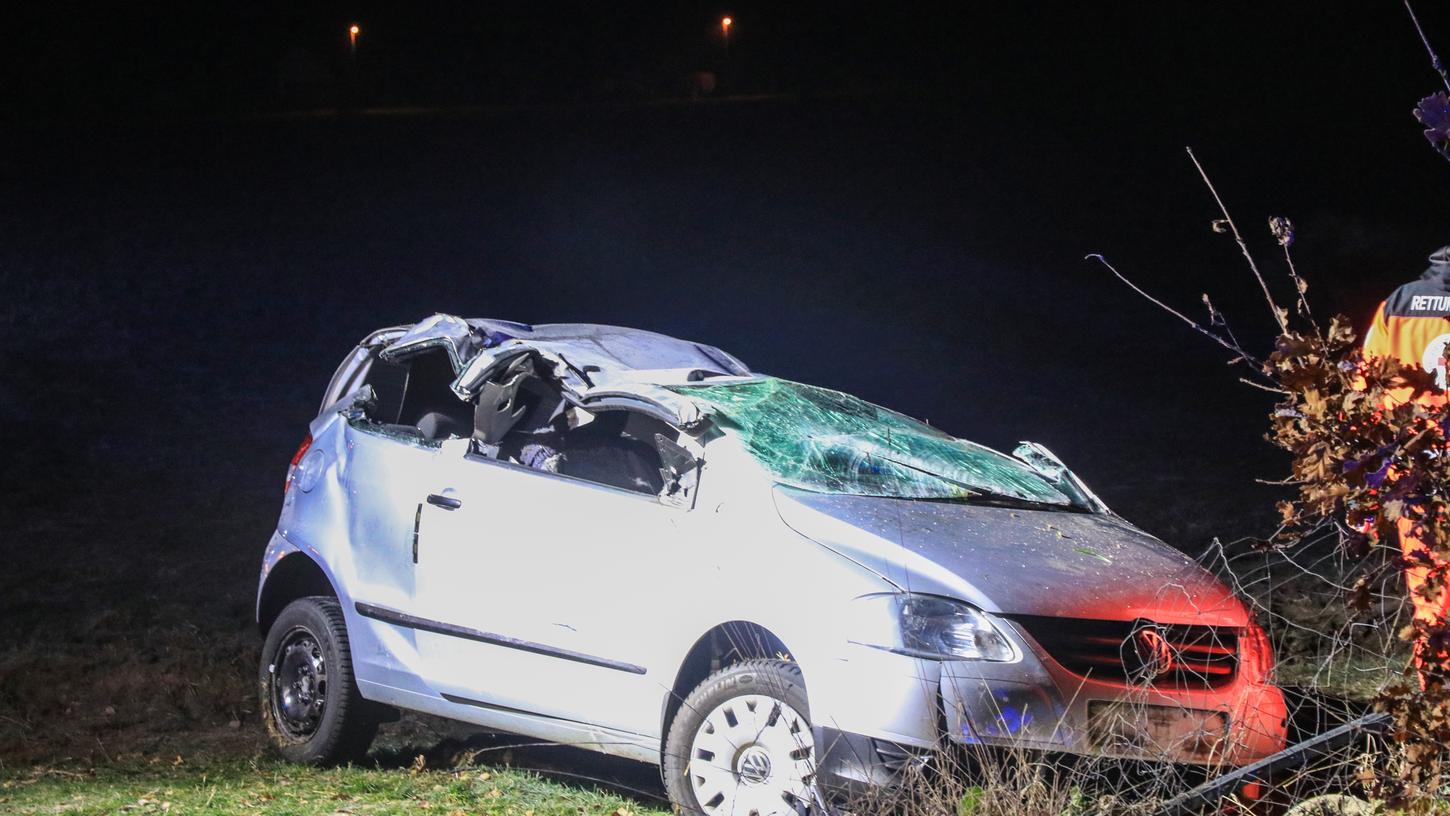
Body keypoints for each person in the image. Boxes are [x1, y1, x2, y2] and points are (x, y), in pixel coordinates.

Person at [1362, 245, 1450, 672]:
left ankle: (1435, 706)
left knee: (1429, 597)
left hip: (1412, 475)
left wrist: (1370, 478)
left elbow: (1367, 393)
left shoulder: (1397, 305)